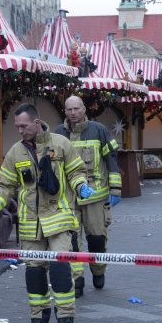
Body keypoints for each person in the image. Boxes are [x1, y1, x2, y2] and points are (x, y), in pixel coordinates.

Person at [0, 103, 94, 323]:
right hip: (30, 225)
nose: (20, 130)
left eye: (23, 126)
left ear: (37, 123)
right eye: (17, 126)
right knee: (34, 274)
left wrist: (81, 186)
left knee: (60, 270)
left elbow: (76, 172)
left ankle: (66, 320)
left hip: (59, 220)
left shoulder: (61, 144)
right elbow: (4, 188)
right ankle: (39, 319)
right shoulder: (15, 152)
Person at [55, 95, 122, 298]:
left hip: (95, 198)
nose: (73, 113)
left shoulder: (98, 130)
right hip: (69, 199)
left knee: (96, 239)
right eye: (69, 109)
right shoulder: (58, 133)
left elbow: (111, 160)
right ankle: (77, 280)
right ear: (65, 111)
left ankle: (98, 269)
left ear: (84, 109)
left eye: (77, 109)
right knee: (72, 242)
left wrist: (115, 189)